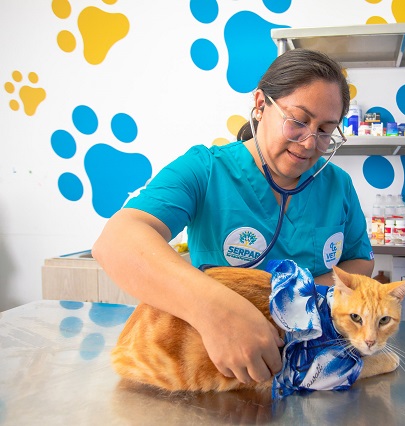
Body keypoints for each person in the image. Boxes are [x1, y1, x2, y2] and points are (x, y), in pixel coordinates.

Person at [92, 49, 375, 385]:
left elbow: (360, 260)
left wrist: (296, 300)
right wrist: (215, 310)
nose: (309, 143)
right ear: (260, 104)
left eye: (325, 131)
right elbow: (116, 242)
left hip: (313, 361)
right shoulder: (206, 170)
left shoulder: (338, 185)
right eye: (298, 121)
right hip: (218, 370)